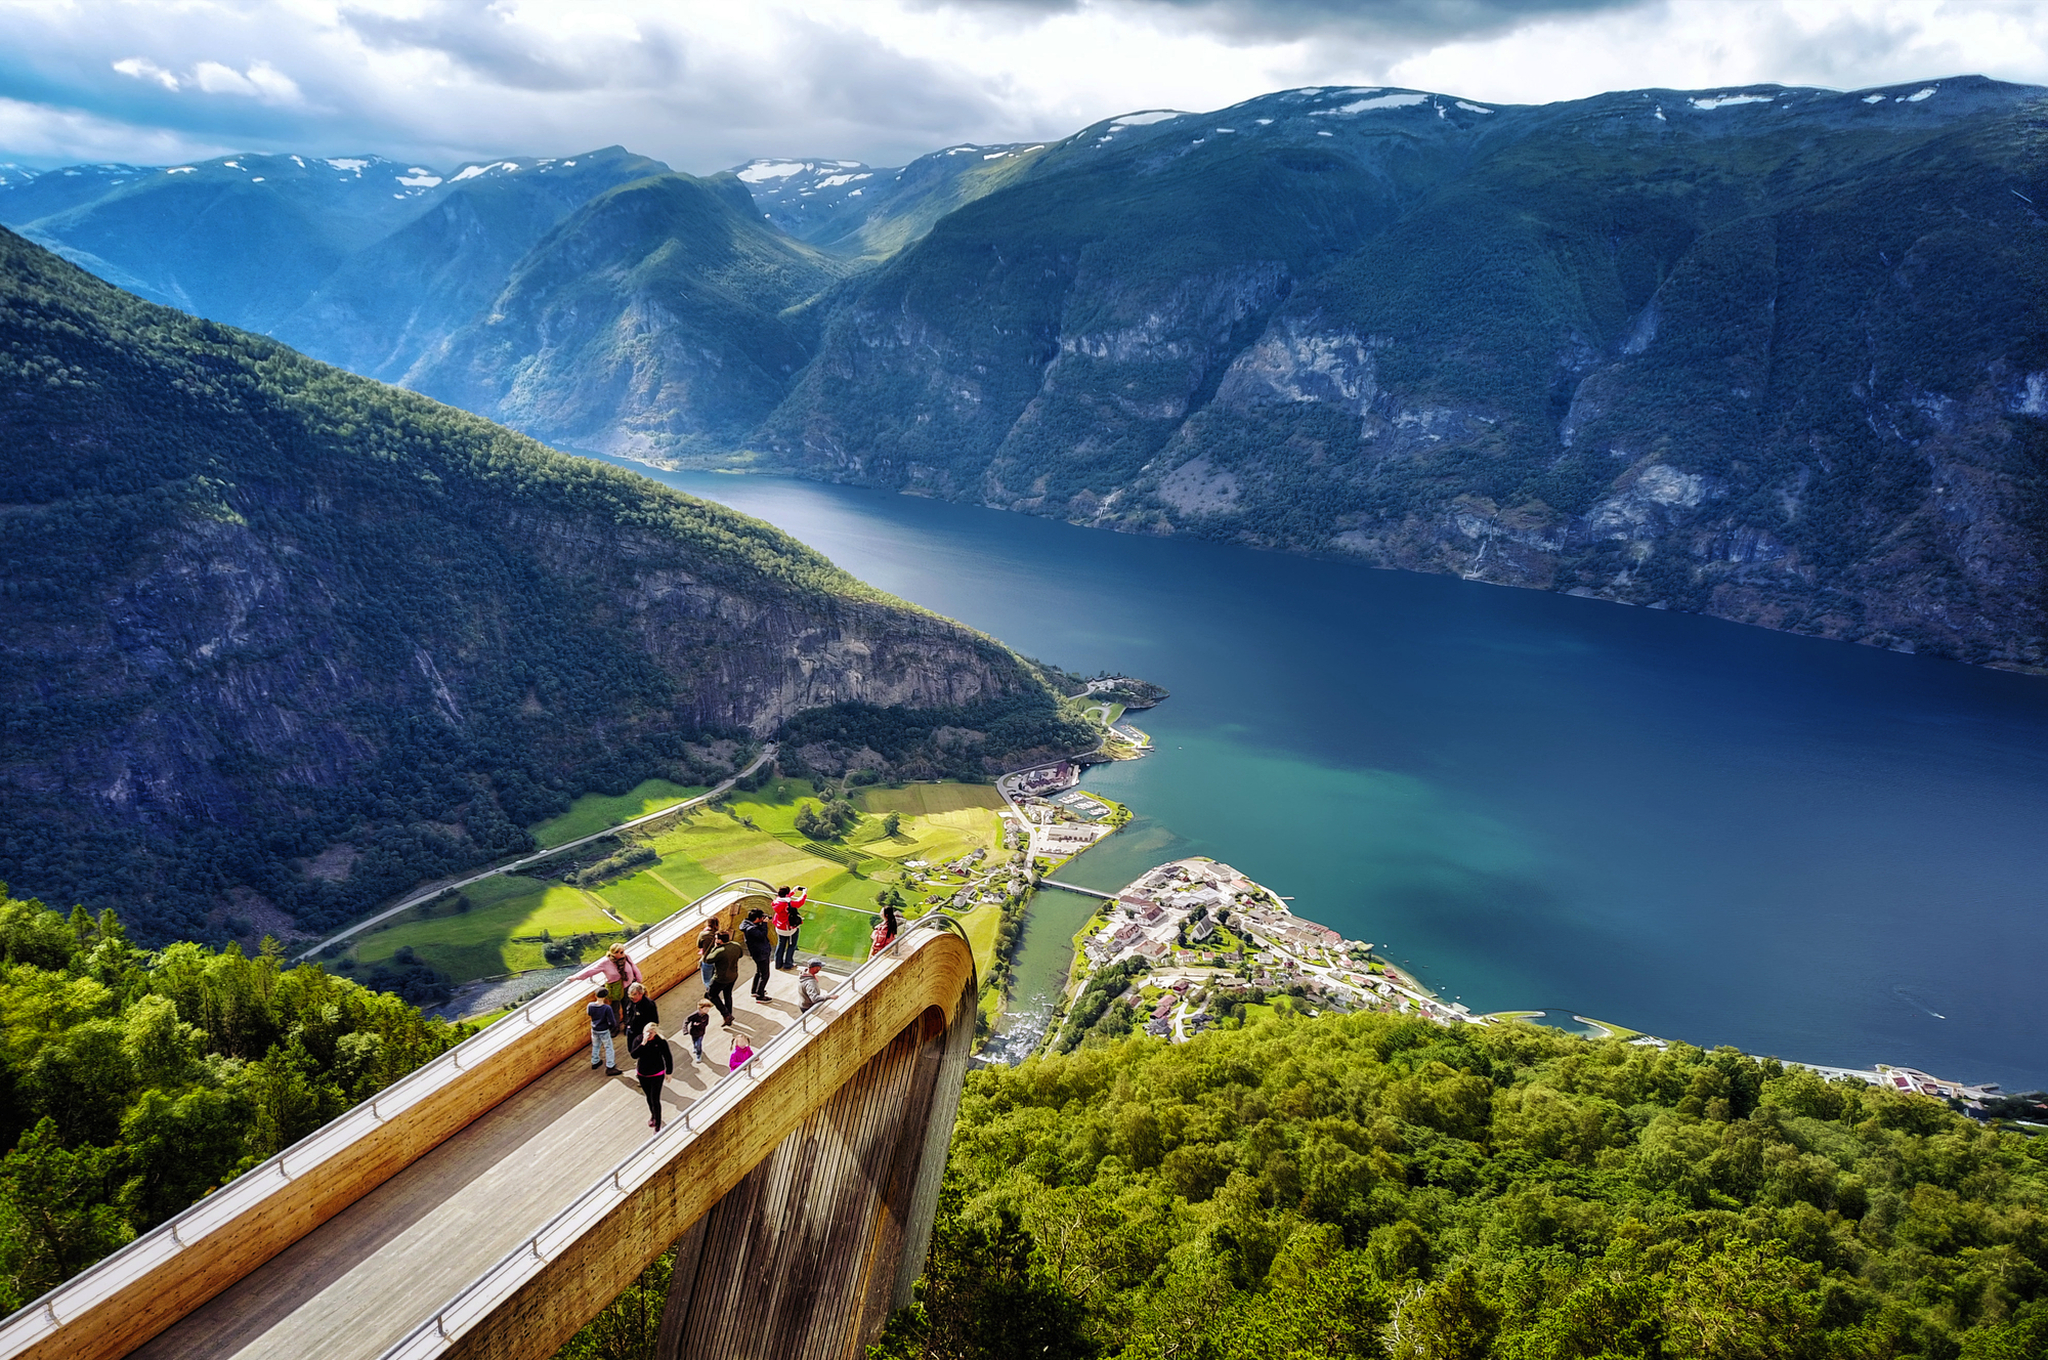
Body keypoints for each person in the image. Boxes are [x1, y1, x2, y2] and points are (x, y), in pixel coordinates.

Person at [574, 941, 644, 1034]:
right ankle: (615, 1028)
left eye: (623, 951)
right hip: (615, 989)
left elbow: (633, 967)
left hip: (628, 987)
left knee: (628, 1007)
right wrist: (577, 977)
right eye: (620, 952)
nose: (623, 954)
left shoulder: (626, 958)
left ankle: (628, 1026)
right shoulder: (606, 962)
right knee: (615, 1010)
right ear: (613, 953)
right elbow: (592, 971)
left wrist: (639, 979)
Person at [635, 1022, 674, 1130]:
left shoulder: (661, 1042)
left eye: (651, 1033)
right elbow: (634, 1055)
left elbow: (667, 1057)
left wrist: (669, 1072)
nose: (649, 1035)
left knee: (655, 1099)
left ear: (655, 1033)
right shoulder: (639, 1040)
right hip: (643, 1074)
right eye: (647, 1032)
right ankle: (653, 1115)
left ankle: (658, 1126)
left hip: (657, 1073)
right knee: (648, 1097)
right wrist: (643, 1043)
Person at [705, 930, 746, 1026]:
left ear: (719, 940)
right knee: (727, 995)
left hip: (721, 978)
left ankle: (726, 1014)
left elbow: (708, 959)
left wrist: (715, 947)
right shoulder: (736, 945)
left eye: (716, 939)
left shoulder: (720, 951)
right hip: (733, 975)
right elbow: (740, 955)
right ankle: (729, 1016)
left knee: (711, 995)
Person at [740, 907, 774, 1001]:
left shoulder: (748, 925)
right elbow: (762, 935)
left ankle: (755, 990)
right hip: (761, 953)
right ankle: (760, 995)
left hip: (757, 952)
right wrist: (764, 924)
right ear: (757, 918)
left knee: (759, 972)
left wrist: (762, 923)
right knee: (765, 975)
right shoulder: (751, 929)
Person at [586, 988, 619, 1075]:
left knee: (596, 1045)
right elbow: (612, 1021)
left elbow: (589, 1013)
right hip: (604, 1030)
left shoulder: (590, 1005)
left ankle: (595, 1061)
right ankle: (610, 1066)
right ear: (605, 997)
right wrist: (613, 1027)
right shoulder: (606, 1008)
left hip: (594, 1029)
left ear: (595, 996)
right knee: (608, 1047)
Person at [622, 982, 658, 1060]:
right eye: (630, 995)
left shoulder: (649, 1005)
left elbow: (654, 1021)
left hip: (642, 1033)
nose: (632, 997)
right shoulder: (631, 1001)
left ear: (641, 993)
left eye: (635, 994)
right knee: (632, 1050)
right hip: (631, 1031)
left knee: (643, 1052)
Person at [773, 885, 806, 971]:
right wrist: (804, 893)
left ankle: (778, 963)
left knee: (780, 945)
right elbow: (800, 902)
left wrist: (793, 891)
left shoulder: (776, 901)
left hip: (779, 927)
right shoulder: (788, 903)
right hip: (789, 929)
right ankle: (788, 964)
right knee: (791, 945)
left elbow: (785, 897)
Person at [696, 917, 721, 988]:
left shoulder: (703, 934)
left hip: (707, 959)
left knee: (707, 980)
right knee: (715, 978)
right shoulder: (719, 934)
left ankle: (711, 994)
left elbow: (699, 945)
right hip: (717, 959)